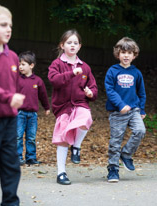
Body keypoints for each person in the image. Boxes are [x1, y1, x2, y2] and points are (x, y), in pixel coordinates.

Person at [48, 29, 98, 185]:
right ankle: (61, 173)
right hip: (62, 107)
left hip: (80, 103)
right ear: (62, 45)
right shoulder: (57, 64)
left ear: (80, 46)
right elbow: (54, 80)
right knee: (63, 139)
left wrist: (91, 93)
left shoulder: (85, 67)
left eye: (75, 43)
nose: (72, 45)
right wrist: (71, 73)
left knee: (86, 118)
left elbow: (94, 87)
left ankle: (76, 147)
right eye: (69, 42)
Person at [104, 37, 146, 183]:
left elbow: (141, 93)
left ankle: (126, 154)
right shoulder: (112, 71)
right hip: (117, 112)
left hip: (134, 110)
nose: (126, 55)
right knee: (116, 141)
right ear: (118, 54)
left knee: (140, 131)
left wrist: (142, 110)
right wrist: (121, 105)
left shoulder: (137, 73)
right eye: (123, 52)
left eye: (129, 53)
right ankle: (113, 169)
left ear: (134, 55)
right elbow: (109, 90)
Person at [0, 5, 25, 206]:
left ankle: (10, 203)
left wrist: (14, 101)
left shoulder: (13, 57)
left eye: (10, 26)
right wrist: (8, 97)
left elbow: (15, 86)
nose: (8, 29)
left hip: (9, 119)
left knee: (11, 165)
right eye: (3, 25)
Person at [17, 51, 50, 165]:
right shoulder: (17, 80)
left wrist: (46, 107)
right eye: (19, 64)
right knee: (18, 136)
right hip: (19, 113)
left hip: (32, 115)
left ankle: (31, 157)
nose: (20, 67)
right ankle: (18, 158)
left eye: (23, 64)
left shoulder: (38, 81)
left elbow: (43, 95)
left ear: (31, 65)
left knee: (31, 137)